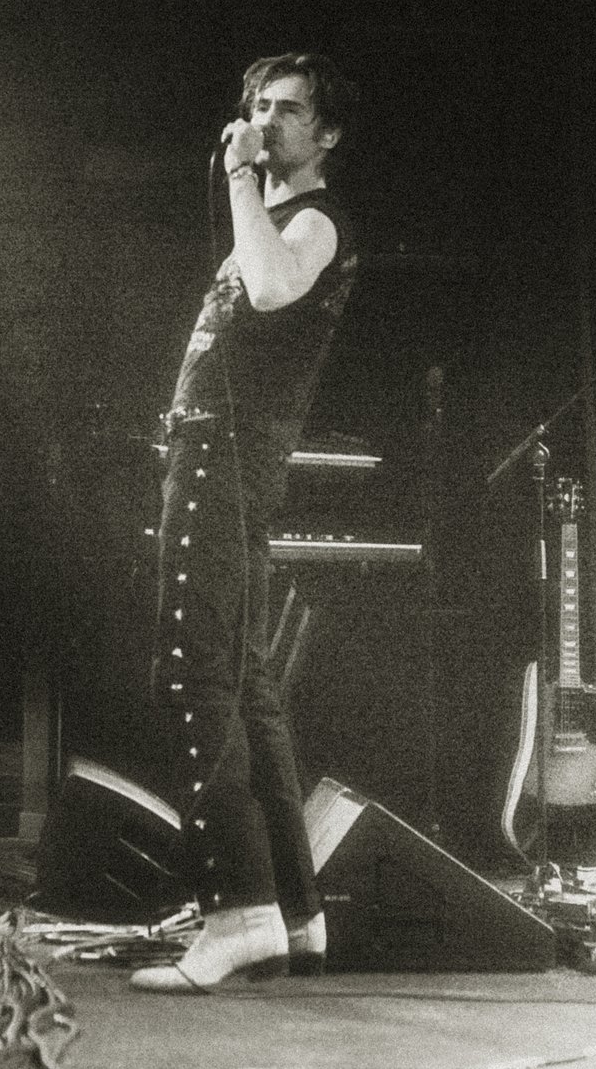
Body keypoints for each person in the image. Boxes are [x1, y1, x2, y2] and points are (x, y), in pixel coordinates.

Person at [133, 52, 361, 992]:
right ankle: (294, 915)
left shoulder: (312, 220)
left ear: (327, 134)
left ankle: (238, 912)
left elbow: (269, 293)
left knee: (194, 676)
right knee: (250, 687)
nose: (266, 122)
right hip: (211, 454)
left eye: (289, 110)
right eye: (257, 108)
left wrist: (235, 174)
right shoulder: (273, 217)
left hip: (224, 461)